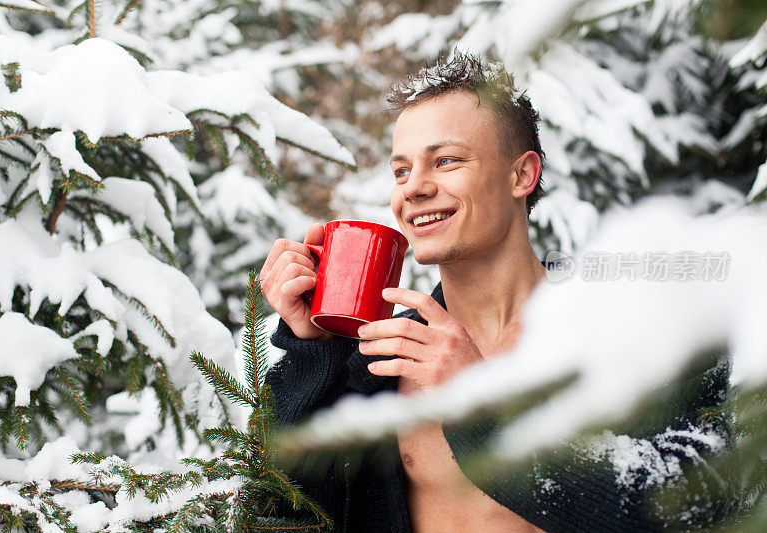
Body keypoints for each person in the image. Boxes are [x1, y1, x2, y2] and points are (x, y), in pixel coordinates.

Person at [259, 52, 732, 532]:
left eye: (445, 161)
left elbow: (698, 506)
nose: (414, 188)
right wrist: (310, 350)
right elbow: (281, 516)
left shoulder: (642, 330)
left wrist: (481, 413)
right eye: (401, 170)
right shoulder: (382, 365)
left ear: (521, 175)